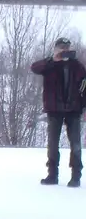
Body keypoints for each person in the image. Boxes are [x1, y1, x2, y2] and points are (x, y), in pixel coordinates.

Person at [31, 37, 85, 187]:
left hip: (74, 110)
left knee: (75, 144)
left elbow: (85, 86)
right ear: (56, 49)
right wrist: (52, 60)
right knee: (53, 144)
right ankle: (52, 175)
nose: (65, 50)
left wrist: (84, 107)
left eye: (67, 47)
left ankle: (76, 176)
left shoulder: (77, 66)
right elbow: (34, 68)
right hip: (54, 109)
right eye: (62, 47)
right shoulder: (50, 64)